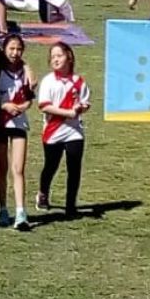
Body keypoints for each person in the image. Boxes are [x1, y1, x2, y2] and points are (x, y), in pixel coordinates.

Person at [36, 42, 90, 218]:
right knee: (51, 165)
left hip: (74, 131)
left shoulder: (79, 81)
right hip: (53, 131)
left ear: (69, 57)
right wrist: (68, 112)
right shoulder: (48, 81)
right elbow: (44, 106)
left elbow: (84, 102)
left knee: (74, 168)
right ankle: (43, 192)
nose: (56, 59)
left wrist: (82, 107)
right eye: (52, 57)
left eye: (59, 55)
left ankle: (70, 204)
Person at [0, 34, 35, 231]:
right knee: (1, 167)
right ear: (4, 49)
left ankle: (21, 212)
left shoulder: (25, 72)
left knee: (18, 169)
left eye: (19, 49)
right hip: (0, 123)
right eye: (11, 48)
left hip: (18, 123)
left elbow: (29, 97)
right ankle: (3, 208)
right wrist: (5, 105)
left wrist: (23, 106)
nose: (15, 53)